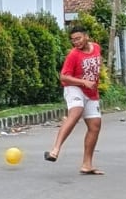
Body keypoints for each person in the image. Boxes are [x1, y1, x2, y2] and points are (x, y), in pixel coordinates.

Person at [44, 25, 103, 175]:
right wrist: (83, 82)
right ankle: (55, 149)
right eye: (73, 40)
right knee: (76, 112)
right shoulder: (73, 55)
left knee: (95, 126)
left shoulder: (96, 48)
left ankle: (87, 164)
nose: (76, 42)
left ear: (86, 36)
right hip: (74, 87)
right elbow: (63, 77)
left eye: (78, 38)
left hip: (91, 92)